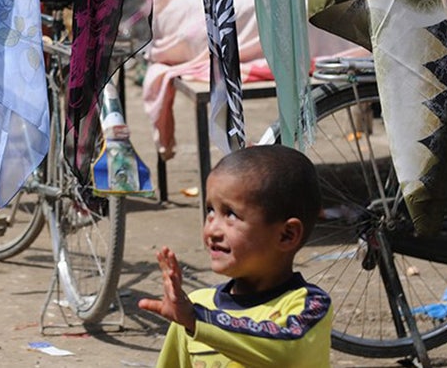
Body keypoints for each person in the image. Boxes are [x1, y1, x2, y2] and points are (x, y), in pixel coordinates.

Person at [139, 145, 334, 367]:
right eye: (210, 210)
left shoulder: (309, 306)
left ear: (287, 235)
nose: (212, 230)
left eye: (230, 214)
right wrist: (193, 318)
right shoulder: (194, 305)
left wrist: (199, 321)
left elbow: (287, 350)